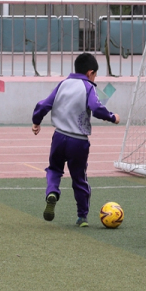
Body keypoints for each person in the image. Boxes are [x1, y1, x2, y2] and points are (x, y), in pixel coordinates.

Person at [32, 52, 120, 227]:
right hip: (78, 141)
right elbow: (96, 107)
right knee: (79, 178)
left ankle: (52, 193)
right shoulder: (88, 87)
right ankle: (82, 217)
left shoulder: (63, 84)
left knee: (54, 169)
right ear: (90, 73)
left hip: (59, 136)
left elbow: (44, 104)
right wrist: (112, 117)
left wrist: (36, 121)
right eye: (95, 75)